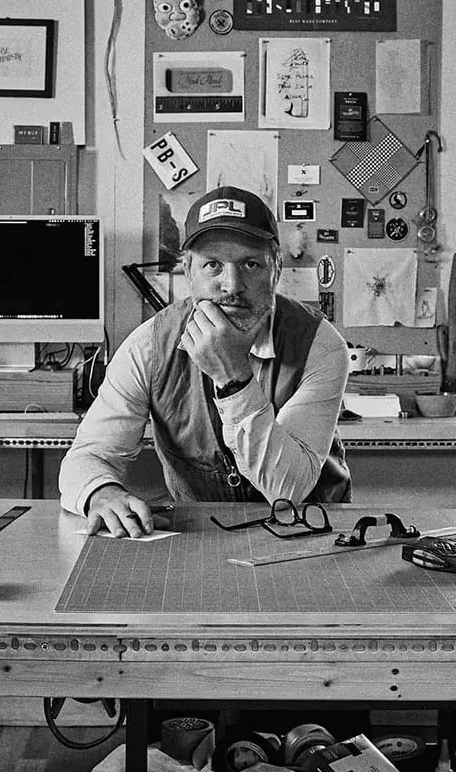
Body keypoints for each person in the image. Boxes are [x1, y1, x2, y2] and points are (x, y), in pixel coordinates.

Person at [59, 185, 350, 535]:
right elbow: (87, 456)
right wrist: (100, 493)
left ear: (277, 267)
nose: (232, 285)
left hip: (315, 531)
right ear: (188, 270)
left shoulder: (320, 345)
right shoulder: (149, 347)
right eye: (213, 265)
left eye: (251, 264)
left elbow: (288, 491)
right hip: (201, 534)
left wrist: (233, 380)